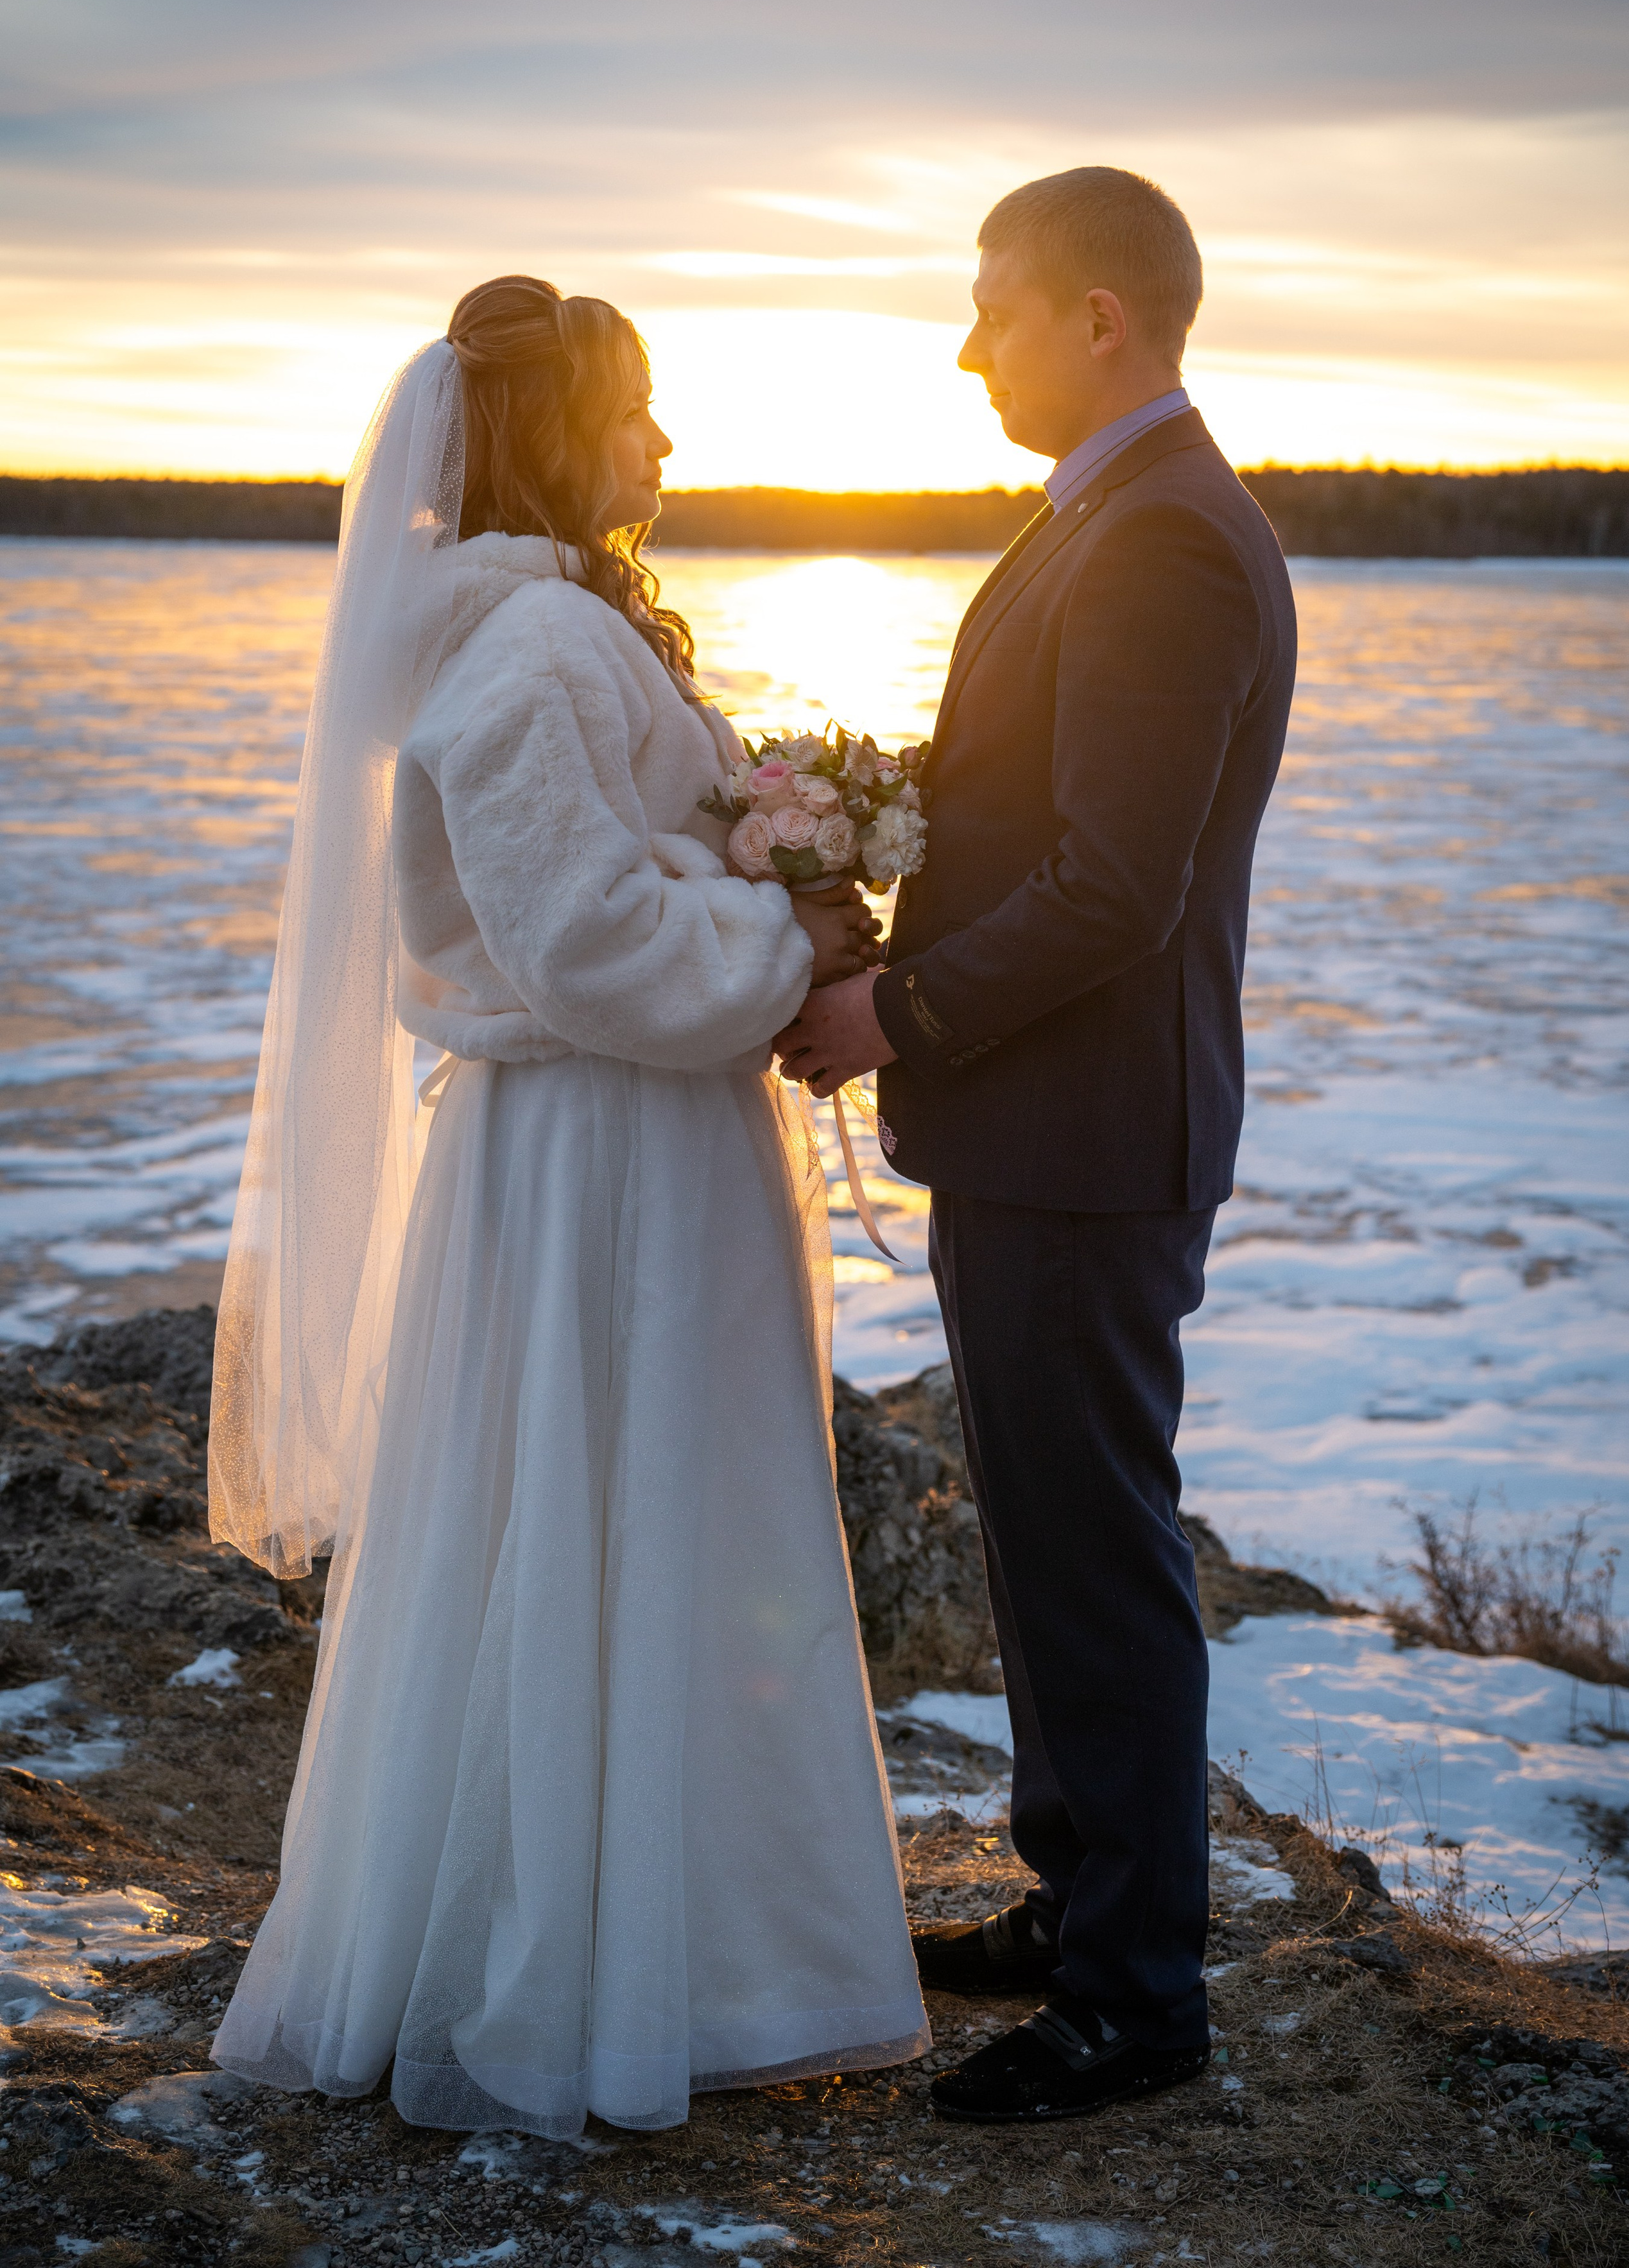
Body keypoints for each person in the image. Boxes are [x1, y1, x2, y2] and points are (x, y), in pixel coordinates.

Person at [208, 275, 927, 2135]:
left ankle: (675, 1945)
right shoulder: (524, 655)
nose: (666, 447)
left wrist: (782, 851)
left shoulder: (565, 632)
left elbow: (619, 891)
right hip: (596, 1160)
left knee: (640, 1520)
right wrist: (788, 924)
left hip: (634, 1149)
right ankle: (572, 1976)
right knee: (594, 1515)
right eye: (639, 411)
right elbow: (592, 942)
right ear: (550, 433)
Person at [777, 168, 1297, 2124]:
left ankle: (1139, 2005)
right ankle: (1080, 1906)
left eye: (992, 301)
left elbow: (1110, 892)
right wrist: (829, 839)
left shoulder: (1163, 538)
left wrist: (885, 1010)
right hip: (1050, 1124)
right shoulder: (1109, 516)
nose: (966, 338)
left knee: (1095, 1559)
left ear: (1101, 316)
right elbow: (1032, 820)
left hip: (1090, 1134)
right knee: (1052, 1537)